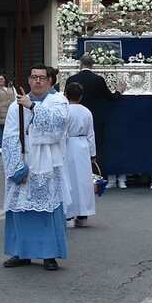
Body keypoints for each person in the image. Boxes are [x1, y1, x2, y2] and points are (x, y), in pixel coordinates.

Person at [1, 63, 70, 271]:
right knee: (21, 208)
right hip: (24, 162)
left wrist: (32, 107)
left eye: (42, 77)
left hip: (49, 162)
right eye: (34, 77)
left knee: (48, 210)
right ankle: (21, 252)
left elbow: (58, 125)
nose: (38, 81)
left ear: (50, 81)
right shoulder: (16, 106)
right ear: (28, 80)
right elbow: (11, 137)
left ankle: (49, 254)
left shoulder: (58, 101)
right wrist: (16, 167)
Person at [65, 55, 124, 187]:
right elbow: (110, 97)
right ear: (92, 65)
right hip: (95, 119)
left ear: (80, 64)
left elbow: (65, 99)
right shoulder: (98, 80)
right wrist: (119, 91)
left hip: (73, 122)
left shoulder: (71, 79)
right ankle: (97, 180)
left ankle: (74, 179)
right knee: (97, 150)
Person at [63, 82, 96, 226]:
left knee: (69, 180)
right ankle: (83, 214)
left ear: (65, 95)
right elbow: (91, 135)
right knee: (83, 181)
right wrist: (92, 154)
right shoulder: (87, 112)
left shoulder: (64, 111)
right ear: (81, 97)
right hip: (82, 147)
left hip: (68, 146)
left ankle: (68, 214)